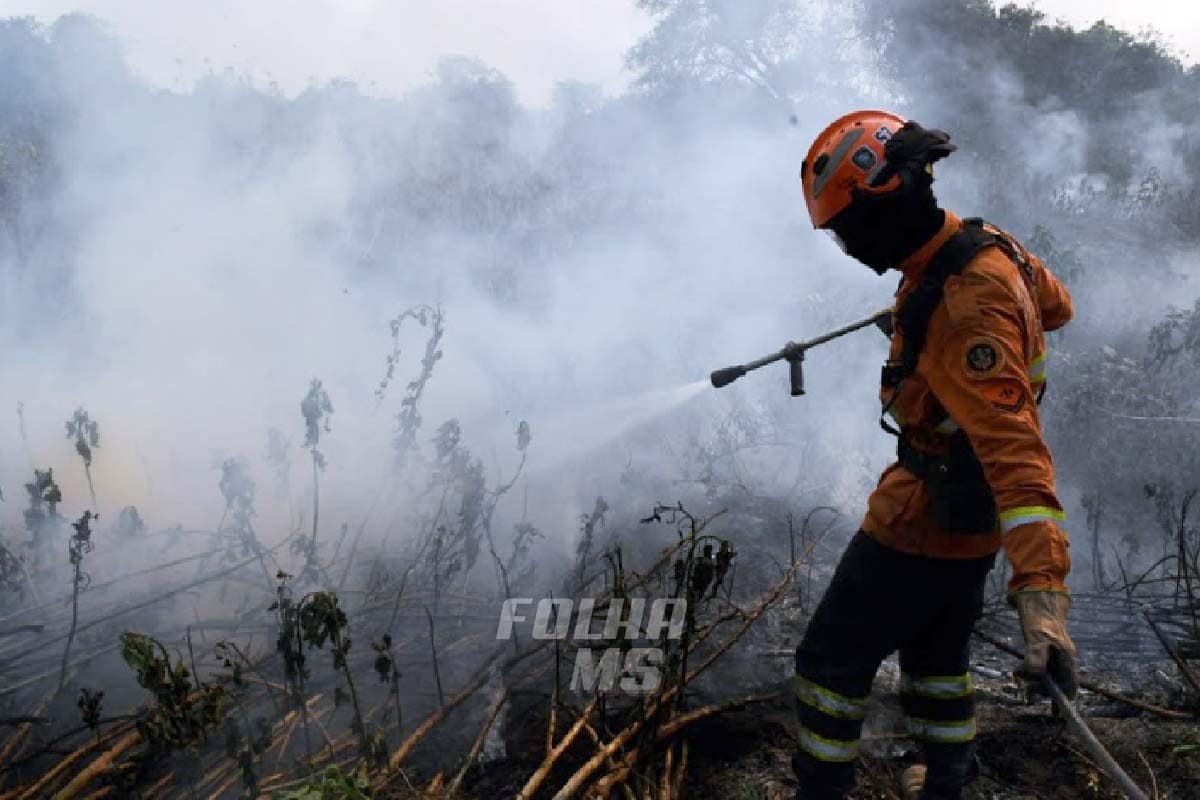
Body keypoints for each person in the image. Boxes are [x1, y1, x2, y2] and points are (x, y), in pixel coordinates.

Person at [791, 110, 1078, 799]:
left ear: (885, 204)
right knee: (936, 659)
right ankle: (948, 781)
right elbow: (1056, 306)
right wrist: (922, 319)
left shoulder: (963, 304)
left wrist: (1043, 600)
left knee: (828, 666)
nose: (847, 247)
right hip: (970, 526)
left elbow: (1018, 454)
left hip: (920, 520)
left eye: (846, 230)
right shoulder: (982, 245)